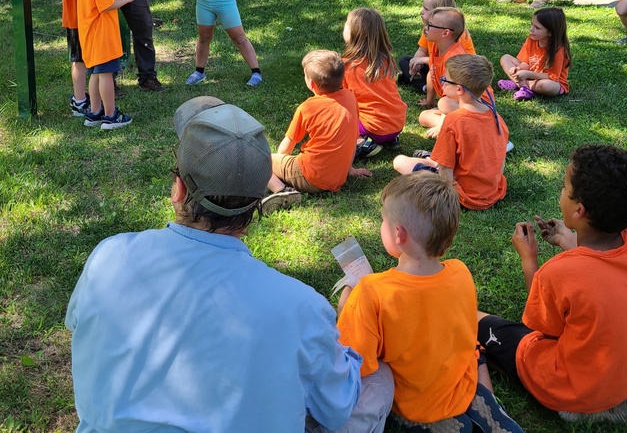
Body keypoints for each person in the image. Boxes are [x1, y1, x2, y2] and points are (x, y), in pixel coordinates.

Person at [66, 96, 395, 433]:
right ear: (256, 205)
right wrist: (352, 338)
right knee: (380, 378)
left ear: (178, 189)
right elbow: (336, 408)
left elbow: (77, 326)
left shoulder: (108, 255)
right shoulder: (299, 306)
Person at [477, 144, 627, 424]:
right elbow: (601, 267)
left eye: (564, 187)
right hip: (625, 385)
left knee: (475, 320)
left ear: (579, 210)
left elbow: (540, 323)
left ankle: (579, 407)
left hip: (569, 389)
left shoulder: (560, 272)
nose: (561, 193)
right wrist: (566, 239)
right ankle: (609, 401)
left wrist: (529, 259)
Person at [336, 171, 523, 432]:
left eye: (383, 220)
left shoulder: (370, 291)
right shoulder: (460, 272)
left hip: (416, 407)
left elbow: (355, 364)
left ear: (399, 234)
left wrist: (346, 303)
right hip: (462, 386)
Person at [393, 55, 509, 210]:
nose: (442, 82)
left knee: (400, 161)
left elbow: (445, 171)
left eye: (445, 79)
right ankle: (431, 158)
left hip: (461, 195)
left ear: (459, 89)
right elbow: (500, 161)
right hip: (493, 192)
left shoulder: (454, 121)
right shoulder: (497, 118)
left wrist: (447, 199)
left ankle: (430, 159)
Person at [264, 50, 371, 212]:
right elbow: (351, 140)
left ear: (312, 84)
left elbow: (286, 147)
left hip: (311, 177)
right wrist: (350, 170)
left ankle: (282, 191)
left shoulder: (307, 107)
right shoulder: (350, 98)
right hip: (338, 177)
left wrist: (280, 161)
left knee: (261, 160)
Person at [77, 0, 139, 130]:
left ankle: (94, 112)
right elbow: (107, 6)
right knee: (106, 75)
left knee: (95, 73)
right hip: (102, 35)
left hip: (90, 34)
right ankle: (111, 115)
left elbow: (100, 0)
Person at [341, 8, 407, 161]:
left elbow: (341, 99)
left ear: (355, 33)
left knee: (337, 114)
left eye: (346, 24)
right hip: (397, 124)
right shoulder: (386, 60)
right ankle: (390, 139)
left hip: (373, 128)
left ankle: (362, 143)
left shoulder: (347, 66)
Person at [398, 0, 476, 96]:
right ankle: (424, 86)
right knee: (405, 61)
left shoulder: (455, 37)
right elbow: (422, 49)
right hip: (436, 67)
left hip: (455, 73)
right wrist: (416, 64)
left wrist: (424, 60)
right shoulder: (430, 29)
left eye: (426, 9)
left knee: (433, 75)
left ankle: (423, 86)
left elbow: (455, 65)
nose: (421, 12)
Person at [409, 7, 468, 137]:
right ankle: (456, 127)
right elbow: (432, 72)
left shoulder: (454, 59)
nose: (426, 27)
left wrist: (441, 124)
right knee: (424, 116)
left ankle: (459, 129)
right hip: (453, 105)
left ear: (445, 33)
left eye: (430, 25)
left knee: (443, 103)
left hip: (469, 105)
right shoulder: (437, 45)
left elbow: (454, 97)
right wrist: (430, 101)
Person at [498, 6, 570, 101]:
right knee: (505, 58)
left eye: (537, 27)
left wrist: (527, 74)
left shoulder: (559, 49)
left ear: (550, 32)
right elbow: (526, 62)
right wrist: (518, 69)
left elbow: (552, 77)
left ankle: (519, 84)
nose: (531, 29)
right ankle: (523, 86)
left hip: (553, 82)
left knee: (546, 86)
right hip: (532, 76)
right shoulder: (532, 39)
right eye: (532, 24)